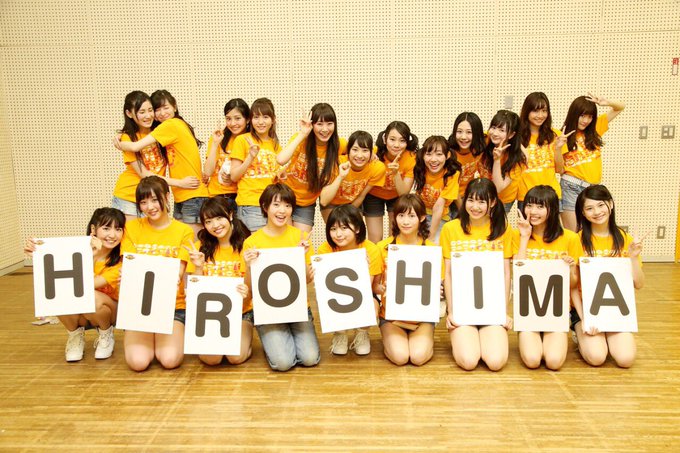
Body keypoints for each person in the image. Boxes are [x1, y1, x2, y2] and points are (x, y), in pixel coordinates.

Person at [24, 208, 126, 361]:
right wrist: (37, 253)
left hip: (108, 312)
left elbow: (86, 284)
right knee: (60, 292)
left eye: (118, 229)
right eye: (106, 228)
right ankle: (74, 335)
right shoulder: (75, 250)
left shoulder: (120, 259)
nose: (112, 235)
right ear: (93, 229)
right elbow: (55, 274)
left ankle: (106, 334)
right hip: (81, 313)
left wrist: (92, 255)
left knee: (89, 295)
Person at [241, 183, 319, 371]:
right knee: (283, 363)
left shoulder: (301, 237)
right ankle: (274, 340)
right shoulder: (252, 242)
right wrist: (249, 266)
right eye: (276, 205)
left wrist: (302, 258)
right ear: (265, 207)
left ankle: (285, 339)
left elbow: (307, 280)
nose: (282, 210)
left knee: (310, 358)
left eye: (287, 205)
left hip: (297, 307)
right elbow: (249, 290)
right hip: (268, 311)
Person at [121, 176, 194, 371]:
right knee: (138, 362)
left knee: (170, 359)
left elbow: (178, 271)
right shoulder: (131, 228)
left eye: (154, 200)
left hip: (172, 306)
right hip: (139, 305)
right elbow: (129, 266)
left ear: (167, 197)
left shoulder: (184, 231)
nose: (150, 207)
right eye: (143, 202)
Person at [441, 179, 513, 371]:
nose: (475, 207)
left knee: (496, 362)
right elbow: (448, 274)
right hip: (462, 308)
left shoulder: (503, 229)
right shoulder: (451, 228)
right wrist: (451, 311)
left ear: (493, 202)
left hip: (491, 307)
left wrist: (503, 312)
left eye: (482, 201)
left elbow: (506, 274)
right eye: (471, 200)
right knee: (468, 361)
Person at [113, 90, 208, 235]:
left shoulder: (162, 130)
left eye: (150, 110)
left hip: (155, 197)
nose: (148, 115)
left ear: (174, 106)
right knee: (133, 240)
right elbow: (144, 173)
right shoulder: (129, 137)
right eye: (142, 112)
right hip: (129, 195)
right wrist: (179, 183)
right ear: (129, 114)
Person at [572, 184, 643, 368]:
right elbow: (572, 287)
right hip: (585, 309)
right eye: (589, 208)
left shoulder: (625, 239)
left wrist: (633, 258)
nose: (596, 212)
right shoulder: (576, 240)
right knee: (597, 357)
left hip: (614, 309)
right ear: (583, 213)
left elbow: (638, 284)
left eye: (600, 205)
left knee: (626, 359)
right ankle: (578, 334)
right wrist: (584, 318)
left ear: (610, 204)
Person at [514, 185, 582, 370]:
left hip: (556, 310)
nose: (533, 211)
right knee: (532, 360)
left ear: (551, 209)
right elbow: (518, 274)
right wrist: (524, 237)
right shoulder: (517, 235)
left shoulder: (570, 238)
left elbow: (573, 284)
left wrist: (570, 268)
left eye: (540, 206)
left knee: (553, 361)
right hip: (528, 310)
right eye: (529, 205)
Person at [186, 197, 253, 366]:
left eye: (219, 218)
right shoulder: (200, 248)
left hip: (242, 313)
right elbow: (196, 291)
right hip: (209, 315)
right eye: (208, 221)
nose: (215, 225)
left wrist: (248, 269)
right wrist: (198, 267)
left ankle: (248, 343)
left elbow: (250, 293)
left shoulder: (247, 246)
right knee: (212, 359)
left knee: (235, 357)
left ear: (230, 215)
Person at [376, 194, 439, 366]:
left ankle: (424, 339)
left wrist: (438, 290)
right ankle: (391, 340)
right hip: (391, 318)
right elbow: (374, 287)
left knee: (418, 357)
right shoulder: (382, 247)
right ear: (395, 217)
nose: (405, 221)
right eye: (401, 215)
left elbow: (439, 285)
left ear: (422, 217)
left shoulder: (431, 250)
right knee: (400, 357)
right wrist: (381, 288)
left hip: (421, 318)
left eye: (411, 216)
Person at [316, 204, 383, 355]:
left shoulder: (371, 249)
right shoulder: (324, 249)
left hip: (362, 294)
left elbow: (367, 288)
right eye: (333, 229)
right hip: (336, 296)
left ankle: (362, 333)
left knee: (372, 306)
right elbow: (324, 288)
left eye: (344, 228)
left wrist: (363, 269)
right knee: (326, 302)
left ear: (357, 228)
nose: (338, 234)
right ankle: (340, 334)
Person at [276, 103, 346, 233]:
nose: (325, 129)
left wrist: (372, 155)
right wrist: (302, 134)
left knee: (301, 241)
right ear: (312, 125)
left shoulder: (338, 144)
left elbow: (359, 149)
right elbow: (281, 160)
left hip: (306, 203)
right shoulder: (303, 139)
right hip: (285, 196)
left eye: (329, 123)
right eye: (319, 124)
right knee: (286, 240)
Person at [560, 94, 625, 231]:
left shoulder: (595, 129)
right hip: (571, 187)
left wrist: (606, 102)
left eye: (590, 116)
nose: (586, 120)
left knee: (593, 232)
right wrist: (558, 146)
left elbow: (620, 107)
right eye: (582, 115)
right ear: (574, 114)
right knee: (574, 233)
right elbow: (558, 168)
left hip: (593, 189)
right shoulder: (562, 135)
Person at [229, 98, 283, 232]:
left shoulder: (275, 145)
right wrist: (250, 157)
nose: (260, 122)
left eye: (265, 117)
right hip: (250, 204)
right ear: (251, 120)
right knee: (256, 245)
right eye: (256, 117)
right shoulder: (242, 140)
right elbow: (234, 176)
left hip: (271, 205)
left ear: (273, 119)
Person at [364, 121, 418, 243]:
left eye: (402, 140)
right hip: (373, 195)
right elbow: (350, 149)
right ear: (385, 139)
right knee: (375, 238)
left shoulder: (411, 158)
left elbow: (403, 193)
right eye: (392, 139)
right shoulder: (374, 152)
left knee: (394, 237)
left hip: (397, 196)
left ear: (407, 142)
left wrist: (396, 173)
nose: (396, 145)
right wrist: (368, 155)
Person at [517, 92, 571, 211]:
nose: (540, 115)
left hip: (551, 195)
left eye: (544, 111)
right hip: (526, 196)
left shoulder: (555, 135)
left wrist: (557, 148)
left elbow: (560, 170)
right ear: (527, 111)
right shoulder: (517, 137)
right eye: (535, 111)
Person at [319, 131, 386, 223]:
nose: (359, 155)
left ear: (371, 152)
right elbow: (324, 201)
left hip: (353, 202)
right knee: (336, 227)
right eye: (355, 150)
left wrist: (348, 214)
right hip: (331, 201)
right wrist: (341, 176)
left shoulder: (377, 167)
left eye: (365, 151)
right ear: (348, 150)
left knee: (352, 228)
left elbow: (362, 195)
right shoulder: (336, 163)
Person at [412, 135, 461, 243]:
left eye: (439, 154)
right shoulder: (420, 168)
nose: (433, 159)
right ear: (423, 155)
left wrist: (431, 237)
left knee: (436, 244)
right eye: (429, 154)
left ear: (447, 155)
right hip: (420, 215)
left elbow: (439, 206)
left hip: (441, 217)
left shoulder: (452, 174)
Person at [478, 110, 526, 213]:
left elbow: (498, 188)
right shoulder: (486, 140)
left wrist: (497, 160)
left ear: (511, 135)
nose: (495, 133)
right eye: (493, 127)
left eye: (502, 130)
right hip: (483, 196)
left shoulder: (517, 159)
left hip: (503, 201)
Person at [205, 98, 251, 201]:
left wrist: (234, 177)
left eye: (237, 118)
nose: (233, 123)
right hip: (216, 197)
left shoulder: (251, 141)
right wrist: (215, 144)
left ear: (247, 119)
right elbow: (208, 172)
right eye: (228, 119)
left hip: (240, 198)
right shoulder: (218, 137)